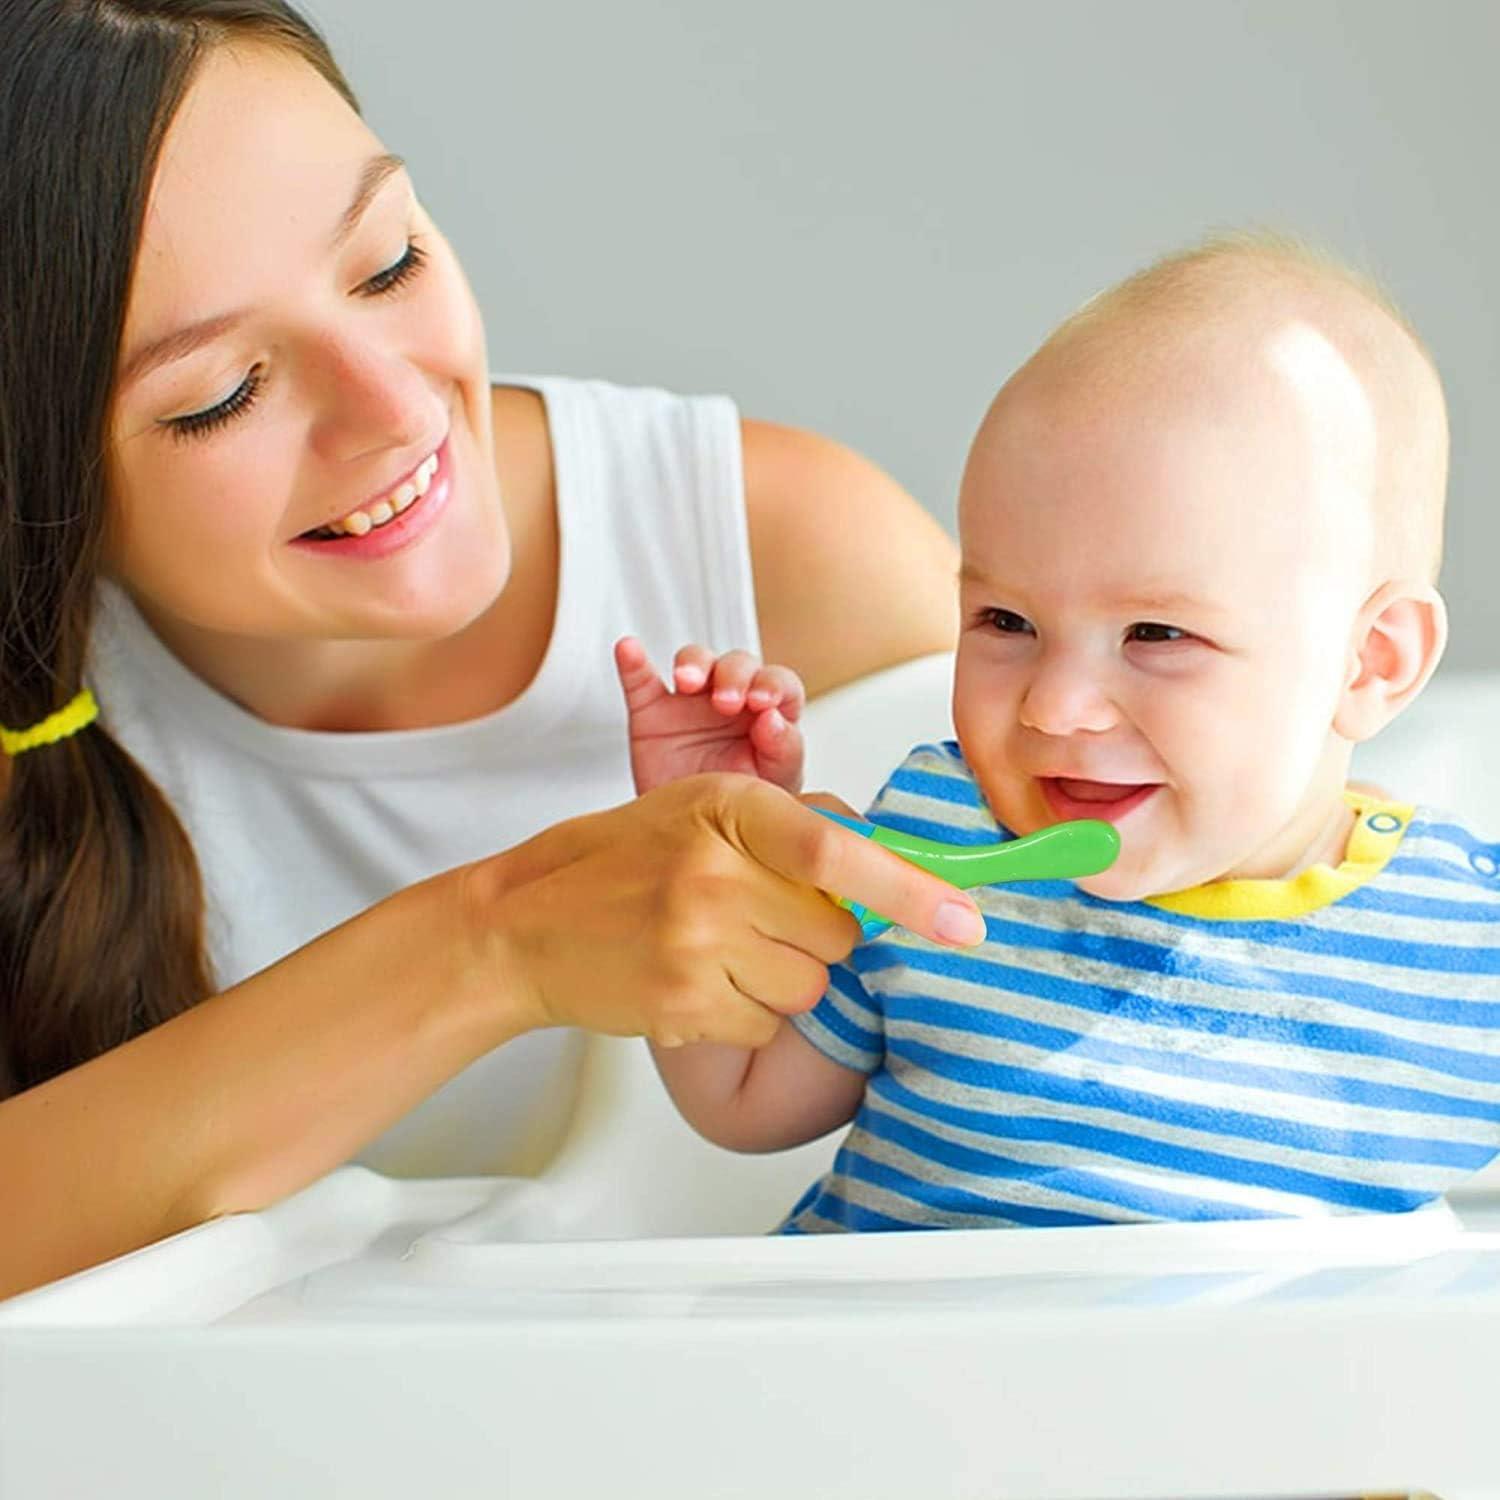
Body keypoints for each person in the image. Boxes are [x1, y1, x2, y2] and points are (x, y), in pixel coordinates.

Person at [0, 0, 988, 1299]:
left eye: (389, 262)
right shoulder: (41, 717)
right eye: (222, 395)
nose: (399, 409)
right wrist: (494, 944)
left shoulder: (790, 558)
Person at [616, 232, 1500, 1233]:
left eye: (1157, 633)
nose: (1053, 706)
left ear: (1371, 661)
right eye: (1006, 623)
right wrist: (707, 844)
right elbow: (738, 1101)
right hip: (870, 1378)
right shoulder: (937, 848)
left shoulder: (1460, 943)